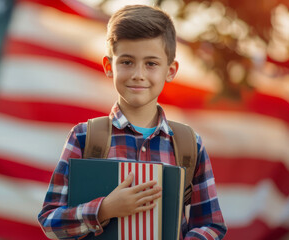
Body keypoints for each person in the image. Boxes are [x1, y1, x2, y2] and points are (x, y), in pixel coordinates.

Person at [37, 4, 227, 239]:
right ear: (109, 66)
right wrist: (104, 209)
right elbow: (50, 222)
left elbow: (211, 224)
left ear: (171, 70)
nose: (138, 73)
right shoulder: (85, 138)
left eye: (151, 63)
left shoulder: (189, 145)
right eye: (127, 62)